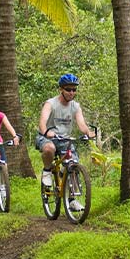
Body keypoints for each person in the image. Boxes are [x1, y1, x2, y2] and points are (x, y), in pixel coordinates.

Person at [35, 74, 95, 211]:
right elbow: (42, 123)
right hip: (47, 137)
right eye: (68, 89)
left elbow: (82, 124)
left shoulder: (75, 106)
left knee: (73, 164)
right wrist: (47, 132)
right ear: (61, 89)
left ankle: (72, 199)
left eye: (74, 90)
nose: (72, 93)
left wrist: (88, 133)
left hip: (64, 139)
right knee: (49, 148)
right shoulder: (51, 103)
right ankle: (47, 171)